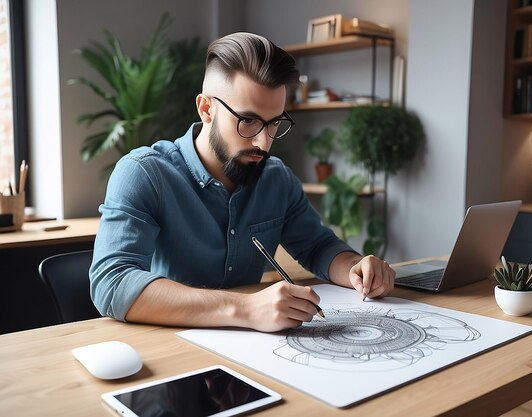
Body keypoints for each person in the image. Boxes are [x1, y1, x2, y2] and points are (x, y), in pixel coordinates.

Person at [90, 32, 395, 332]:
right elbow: (112, 283)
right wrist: (245, 308)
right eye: (248, 120)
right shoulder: (144, 173)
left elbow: (318, 247)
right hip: (173, 352)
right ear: (206, 109)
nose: (264, 142)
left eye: (275, 122)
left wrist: (357, 268)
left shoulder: (277, 178)